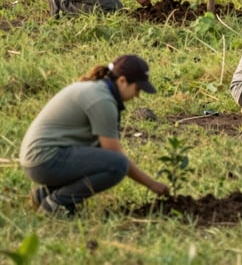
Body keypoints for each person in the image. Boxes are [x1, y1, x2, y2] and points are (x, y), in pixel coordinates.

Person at [20, 54, 169, 217]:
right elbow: (115, 156)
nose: (137, 95)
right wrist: (151, 184)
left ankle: (44, 195)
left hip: (39, 159)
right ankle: (57, 204)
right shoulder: (102, 101)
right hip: (45, 160)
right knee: (118, 164)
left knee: (102, 156)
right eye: (137, 89)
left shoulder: (97, 89)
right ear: (122, 81)